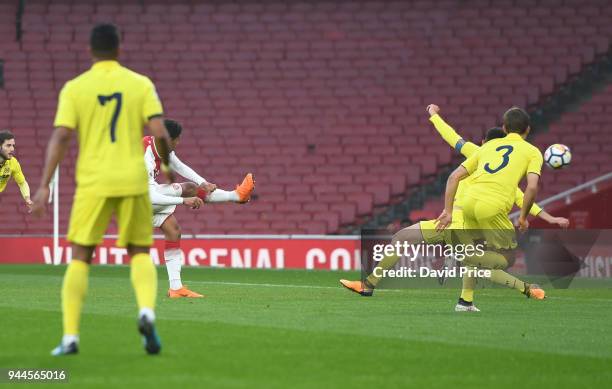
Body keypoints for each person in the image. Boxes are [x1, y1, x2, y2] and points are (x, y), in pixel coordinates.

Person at [31, 23, 173, 356]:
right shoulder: (140, 84)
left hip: (93, 182)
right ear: (120, 49)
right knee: (139, 251)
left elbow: (62, 137)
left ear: (89, 51)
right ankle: (146, 312)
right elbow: (159, 131)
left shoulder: (75, 88)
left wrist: (43, 185)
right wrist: (165, 164)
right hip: (132, 181)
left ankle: (70, 338)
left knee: (80, 255)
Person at [145, 118, 255, 298]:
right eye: (177, 139)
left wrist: (203, 183)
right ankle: (235, 196)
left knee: (173, 231)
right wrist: (183, 201)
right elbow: (148, 197)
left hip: (147, 197)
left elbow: (179, 166)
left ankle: (176, 289)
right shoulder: (145, 157)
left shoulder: (161, 145)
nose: (178, 143)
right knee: (187, 189)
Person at [0, 130, 33, 210]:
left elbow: (22, 183)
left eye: (13, 145)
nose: (12, 149)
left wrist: (27, 198)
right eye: (8, 145)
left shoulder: (13, 163)